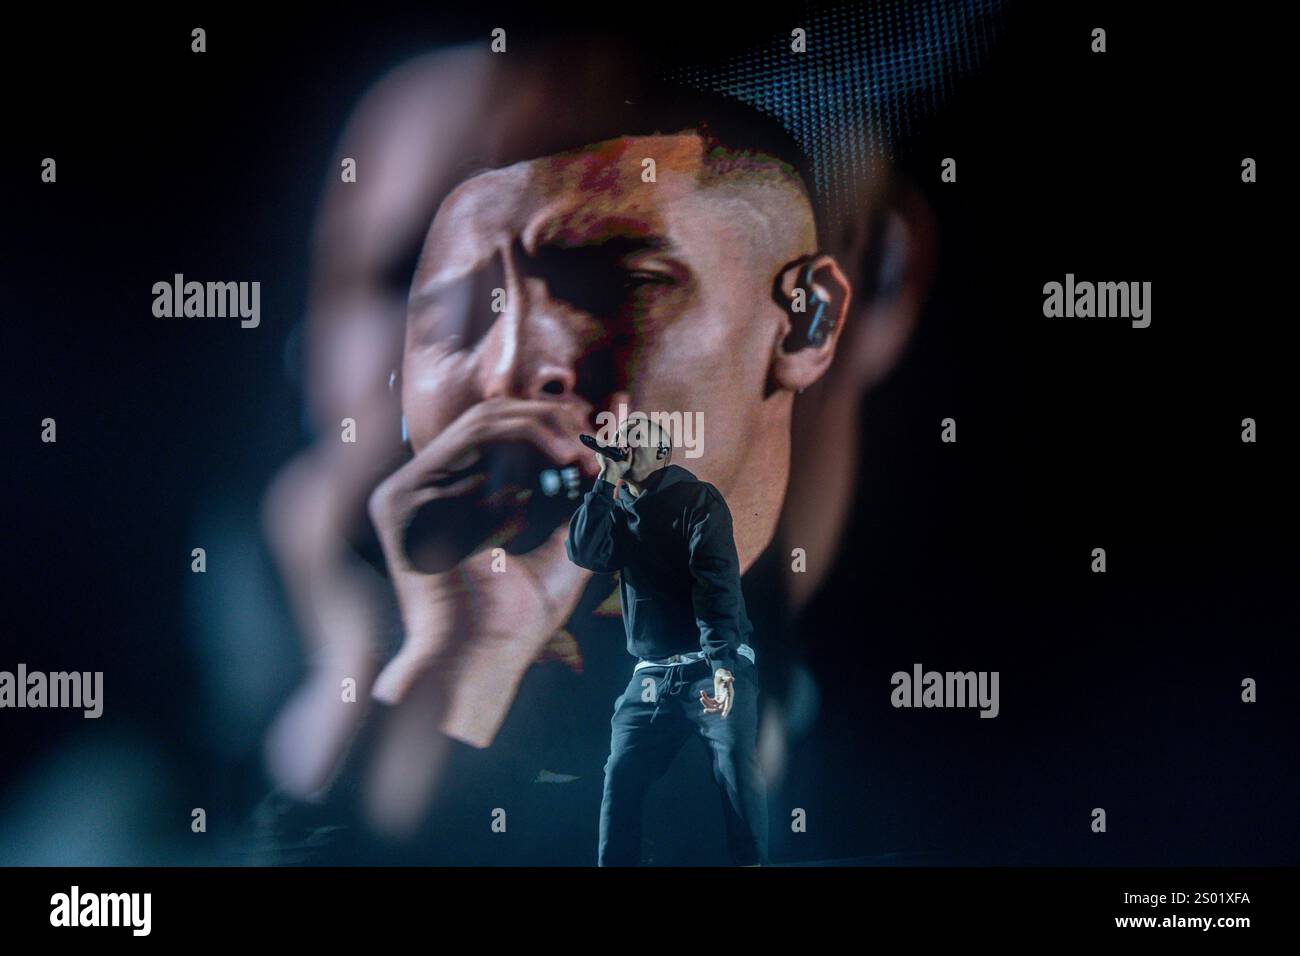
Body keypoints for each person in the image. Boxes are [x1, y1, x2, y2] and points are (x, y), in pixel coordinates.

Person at [567, 413, 767, 865]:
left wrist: (722, 665)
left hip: (712, 663)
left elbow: (714, 581)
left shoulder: (697, 500)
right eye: (619, 436)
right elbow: (584, 551)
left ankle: (751, 862)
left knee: (734, 762)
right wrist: (603, 485)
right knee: (621, 772)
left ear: (661, 453)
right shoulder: (619, 510)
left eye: (635, 437)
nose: (622, 442)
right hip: (653, 674)